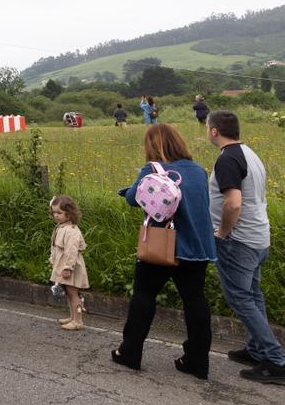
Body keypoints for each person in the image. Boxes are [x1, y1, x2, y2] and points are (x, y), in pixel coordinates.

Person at [113, 124, 215, 378]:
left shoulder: (153, 169)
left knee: (144, 295)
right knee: (195, 300)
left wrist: (130, 190)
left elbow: (133, 198)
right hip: (197, 246)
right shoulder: (199, 171)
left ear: (153, 146)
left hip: (162, 243)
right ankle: (197, 361)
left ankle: (130, 353)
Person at [207, 110, 285, 384]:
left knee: (240, 298)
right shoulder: (249, 154)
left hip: (238, 241)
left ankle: (276, 360)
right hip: (258, 236)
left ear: (214, 131)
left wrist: (222, 232)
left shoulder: (227, 159)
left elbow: (234, 203)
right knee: (253, 295)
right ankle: (256, 349)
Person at [48, 195, 89, 330]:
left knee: (74, 294)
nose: (56, 215)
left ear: (69, 213)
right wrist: (53, 260)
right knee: (69, 293)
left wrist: (68, 267)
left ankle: (78, 321)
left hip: (71, 267)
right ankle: (73, 317)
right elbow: (55, 247)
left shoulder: (71, 231)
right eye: (54, 212)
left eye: (59, 212)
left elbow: (71, 251)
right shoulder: (60, 227)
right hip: (63, 265)